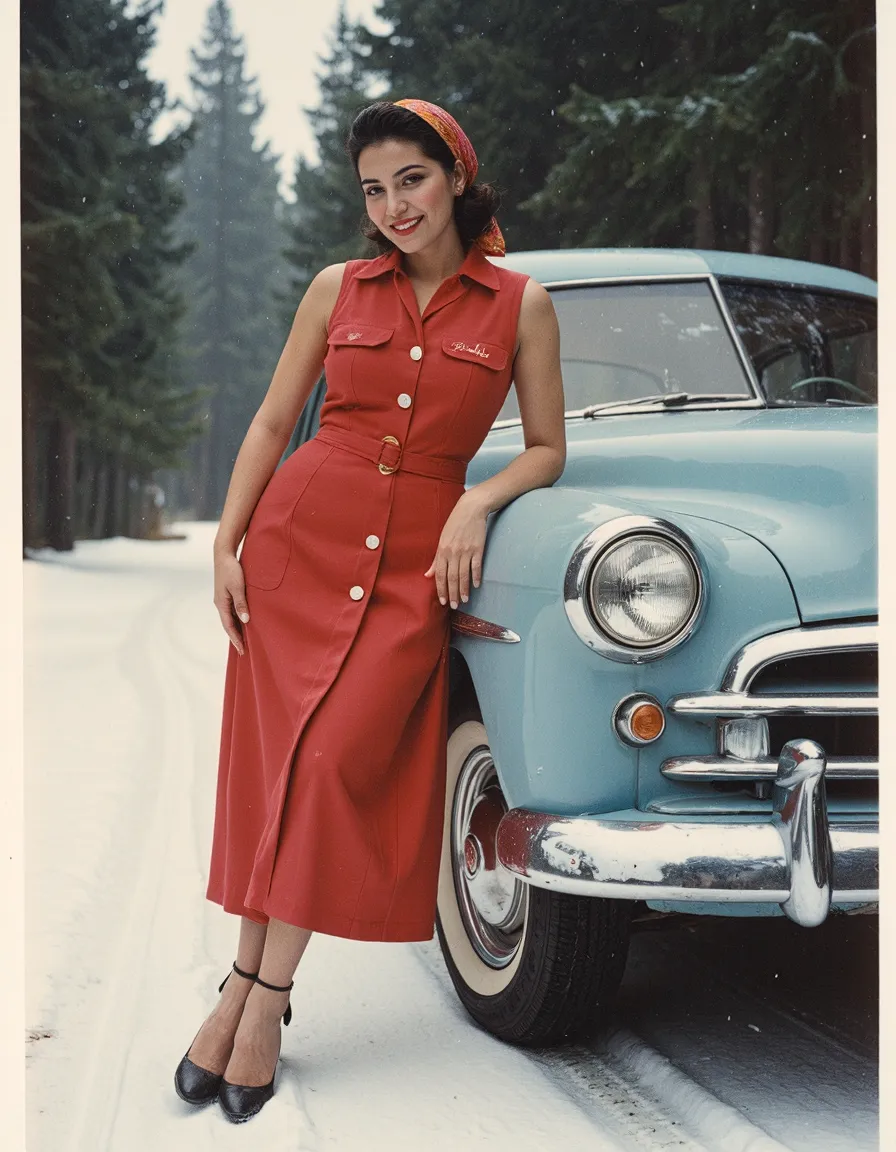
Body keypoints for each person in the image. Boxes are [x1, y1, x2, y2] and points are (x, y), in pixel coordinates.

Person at [174, 98, 566, 1124]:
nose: (394, 205)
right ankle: (247, 990)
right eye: (375, 189)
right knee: (280, 766)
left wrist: (477, 499)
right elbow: (270, 421)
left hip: (410, 572)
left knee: (334, 759)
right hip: (300, 543)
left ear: (454, 177)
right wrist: (225, 540)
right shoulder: (333, 290)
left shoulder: (519, 304)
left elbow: (545, 448)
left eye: (413, 180)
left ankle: (259, 995)